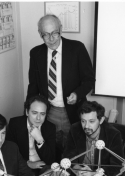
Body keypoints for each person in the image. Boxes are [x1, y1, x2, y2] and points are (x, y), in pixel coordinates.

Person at [27, 14, 95, 157]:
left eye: (54, 33)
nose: (51, 39)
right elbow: (33, 85)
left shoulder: (77, 48)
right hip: (49, 111)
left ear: (61, 30)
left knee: (76, 149)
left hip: (74, 110)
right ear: (40, 34)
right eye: (45, 35)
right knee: (52, 150)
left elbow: (89, 80)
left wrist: (77, 94)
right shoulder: (36, 53)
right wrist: (28, 112)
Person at [62, 101, 124, 176]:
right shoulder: (75, 129)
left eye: (91, 121)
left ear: (101, 120)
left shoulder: (113, 134)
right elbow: (68, 156)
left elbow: (117, 165)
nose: (86, 126)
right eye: (83, 121)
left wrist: (96, 174)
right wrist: (78, 170)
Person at [6, 95, 56, 175]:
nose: (38, 118)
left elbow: (50, 159)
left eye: (42, 114)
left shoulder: (50, 127)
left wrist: (40, 140)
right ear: (27, 112)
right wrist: (28, 163)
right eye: (34, 113)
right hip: (23, 166)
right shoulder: (14, 124)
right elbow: (9, 152)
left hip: (43, 167)